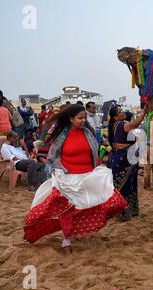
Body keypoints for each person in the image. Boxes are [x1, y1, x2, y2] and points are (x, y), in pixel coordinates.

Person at [23, 105, 127, 248]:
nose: (83, 120)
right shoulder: (61, 136)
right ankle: (67, 236)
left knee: (110, 201)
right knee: (67, 209)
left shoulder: (88, 134)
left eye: (84, 117)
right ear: (71, 119)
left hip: (88, 176)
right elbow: (52, 156)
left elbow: (94, 153)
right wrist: (55, 169)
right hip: (68, 177)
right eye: (80, 118)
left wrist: (99, 165)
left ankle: (81, 229)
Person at [108, 104, 148, 222]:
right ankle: (123, 212)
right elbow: (135, 124)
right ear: (116, 117)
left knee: (129, 184)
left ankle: (130, 210)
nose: (123, 112)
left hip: (124, 157)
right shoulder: (121, 124)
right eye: (120, 111)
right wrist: (144, 112)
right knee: (125, 185)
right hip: (123, 159)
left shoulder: (117, 124)